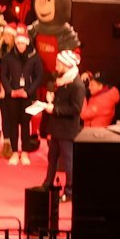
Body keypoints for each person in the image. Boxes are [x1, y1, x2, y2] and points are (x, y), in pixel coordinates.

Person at [41, 49, 85, 196]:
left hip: (67, 130)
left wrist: (55, 109)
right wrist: (51, 96)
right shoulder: (60, 80)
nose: (56, 66)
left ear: (66, 65)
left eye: (58, 63)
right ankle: (48, 183)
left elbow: (75, 109)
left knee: (68, 162)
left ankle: (70, 190)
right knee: (52, 158)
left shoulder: (77, 85)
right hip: (56, 128)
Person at [0, 28, 43, 165]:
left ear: (27, 43)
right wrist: (10, 91)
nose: (20, 46)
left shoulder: (34, 57)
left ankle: (25, 152)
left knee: (25, 124)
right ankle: (15, 152)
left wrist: (28, 92)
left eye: (22, 44)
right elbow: (3, 75)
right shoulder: (8, 57)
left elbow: (38, 77)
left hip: (27, 97)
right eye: (18, 44)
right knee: (12, 124)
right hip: (12, 97)